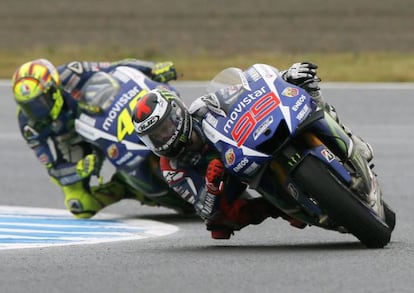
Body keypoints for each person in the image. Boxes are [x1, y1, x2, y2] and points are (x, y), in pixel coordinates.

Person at [131, 61, 374, 239]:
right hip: (230, 180)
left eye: (163, 128)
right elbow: (203, 209)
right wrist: (213, 186)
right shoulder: (171, 167)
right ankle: (280, 206)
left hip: (249, 146)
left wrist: (284, 77)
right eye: (154, 137)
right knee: (219, 225)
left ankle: (351, 140)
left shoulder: (202, 109)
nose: (163, 138)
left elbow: (247, 91)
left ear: (177, 112)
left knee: (305, 92)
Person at [11, 57, 194, 219]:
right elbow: (53, 167)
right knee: (79, 205)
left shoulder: (71, 73)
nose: (36, 111)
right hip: (72, 142)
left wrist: (152, 69)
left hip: (100, 117)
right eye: (28, 106)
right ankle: (127, 187)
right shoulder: (30, 126)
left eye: (40, 102)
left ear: (53, 89)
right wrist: (77, 170)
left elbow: (115, 67)